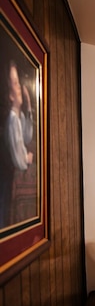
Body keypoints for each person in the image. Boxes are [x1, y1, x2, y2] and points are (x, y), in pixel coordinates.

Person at [0, 60, 34, 227]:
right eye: (15, 83)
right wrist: (26, 158)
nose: (19, 87)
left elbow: (27, 137)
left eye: (18, 82)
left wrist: (28, 107)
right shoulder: (12, 120)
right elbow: (19, 161)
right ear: (10, 95)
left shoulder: (18, 117)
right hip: (8, 179)